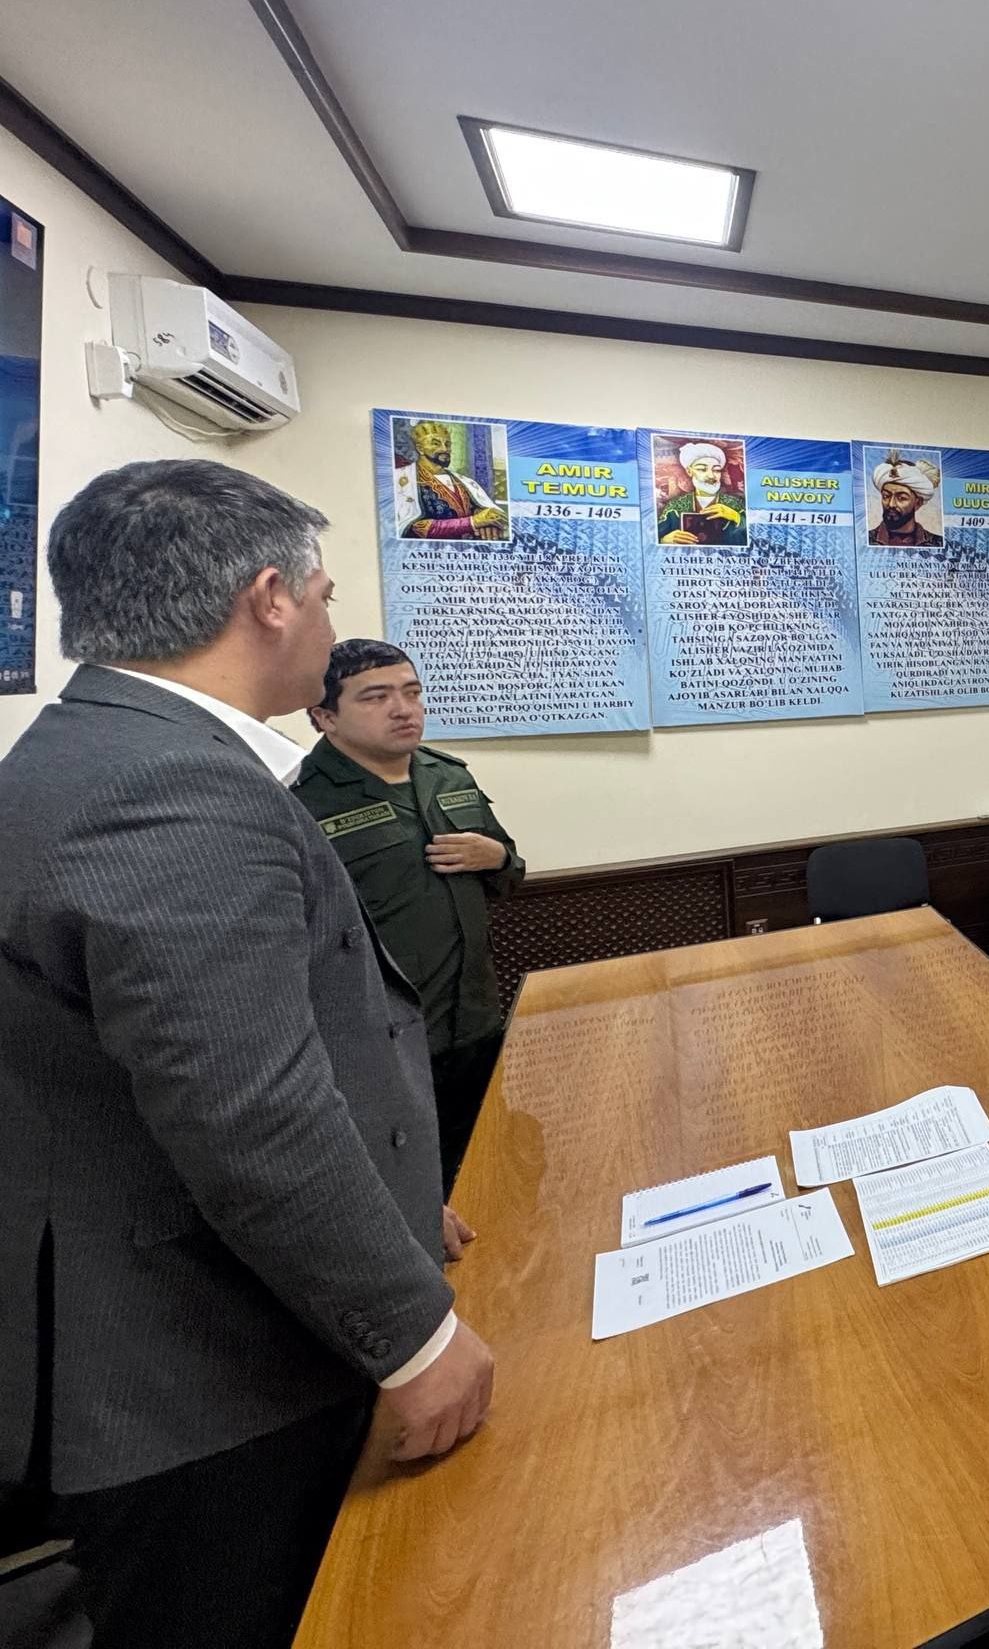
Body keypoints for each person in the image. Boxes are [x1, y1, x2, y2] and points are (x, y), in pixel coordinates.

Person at [2, 462, 493, 1649]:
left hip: (171, 1315)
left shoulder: (86, 746)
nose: (326, 624)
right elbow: (249, 1112)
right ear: (269, 599)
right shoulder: (170, 784)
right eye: (322, 596)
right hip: (192, 1368)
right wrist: (413, 1333)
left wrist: (388, 1200)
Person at [295, 640, 525, 1193]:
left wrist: (495, 857)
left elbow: (509, 872)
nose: (404, 709)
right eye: (376, 697)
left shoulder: (446, 775)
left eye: (412, 692)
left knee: (493, 1176)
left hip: (474, 1022)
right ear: (324, 716)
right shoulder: (301, 802)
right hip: (382, 1049)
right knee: (416, 1195)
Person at [396, 418, 507, 542]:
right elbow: (418, 528)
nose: (445, 449)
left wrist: (486, 519)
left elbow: (489, 513)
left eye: (447, 444)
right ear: (420, 449)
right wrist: (474, 522)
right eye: (436, 443)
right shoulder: (403, 479)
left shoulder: (466, 482)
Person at [657, 441, 745, 546]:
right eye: (702, 469)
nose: (711, 476)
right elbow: (651, 540)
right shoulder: (675, 507)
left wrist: (736, 517)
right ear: (689, 471)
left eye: (716, 470)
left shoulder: (735, 504)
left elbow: (757, 537)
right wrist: (665, 540)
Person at [867, 454, 943, 548]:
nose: (891, 504)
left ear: (918, 503)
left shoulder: (938, 543)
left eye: (901, 498)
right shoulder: (866, 540)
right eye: (886, 496)